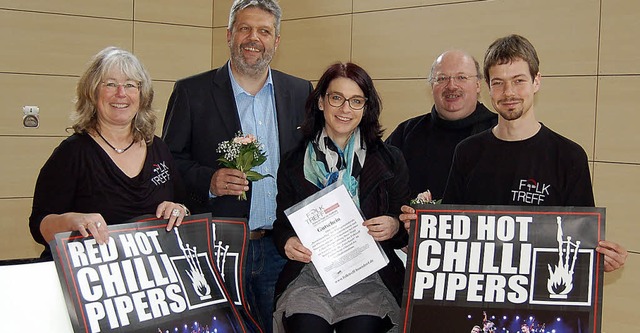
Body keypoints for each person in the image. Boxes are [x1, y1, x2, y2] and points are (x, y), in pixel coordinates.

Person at [401, 34, 627, 272]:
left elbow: (577, 245)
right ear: (487, 87)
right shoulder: (467, 152)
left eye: (519, 80)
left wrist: (601, 259)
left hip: (539, 296)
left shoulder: (569, 157)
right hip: (478, 297)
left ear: (536, 81)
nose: (508, 92)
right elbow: (451, 235)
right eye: (498, 82)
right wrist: (422, 227)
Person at [161, 0, 313, 331]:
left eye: (264, 31)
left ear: (276, 40)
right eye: (244, 28)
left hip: (282, 245)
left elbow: (309, 164)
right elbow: (168, 163)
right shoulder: (191, 91)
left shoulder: (300, 91)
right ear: (229, 34)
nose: (253, 38)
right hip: (219, 247)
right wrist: (209, 181)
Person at [272, 62, 410, 333]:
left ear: (366, 107)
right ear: (322, 102)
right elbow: (282, 225)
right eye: (337, 98)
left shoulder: (390, 159)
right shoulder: (293, 162)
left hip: (371, 277)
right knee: (305, 327)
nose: (345, 109)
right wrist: (287, 241)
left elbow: (402, 231)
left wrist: (394, 225)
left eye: (356, 101)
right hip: (311, 276)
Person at [29, 46, 188, 260]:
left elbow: (185, 204)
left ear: (142, 95)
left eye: (130, 85)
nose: (121, 93)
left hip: (148, 280)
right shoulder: (72, 153)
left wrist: (178, 210)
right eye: (111, 84)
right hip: (92, 283)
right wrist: (72, 221)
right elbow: (40, 226)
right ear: (93, 92)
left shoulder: (158, 148)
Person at [386, 50, 497, 199]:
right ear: (432, 86)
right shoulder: (406, 134)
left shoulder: (500, 131)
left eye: (461, 77)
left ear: (478, 85)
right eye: (442, 78)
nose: (451, 86)